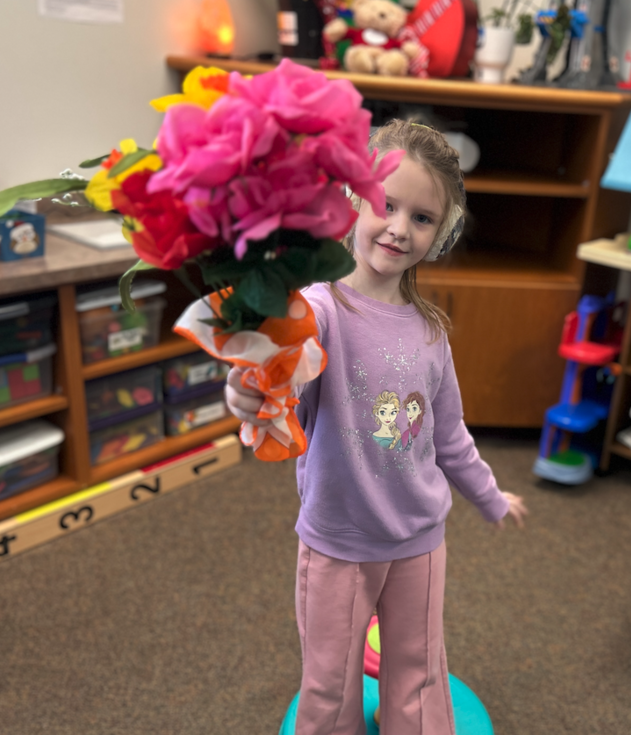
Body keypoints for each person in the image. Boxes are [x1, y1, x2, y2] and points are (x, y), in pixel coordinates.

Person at [226, 119, 528, 735]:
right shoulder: (318, 309)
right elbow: (280, 383)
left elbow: (450, 438)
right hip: (339, 543)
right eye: (386, 205)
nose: (398, 227)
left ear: (439, 234)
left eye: (421, 217)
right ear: (351, 200)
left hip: (418, 538)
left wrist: (491, 497)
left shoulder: (430, 331)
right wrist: (252, 389)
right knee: (330, 683)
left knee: (418, 672)